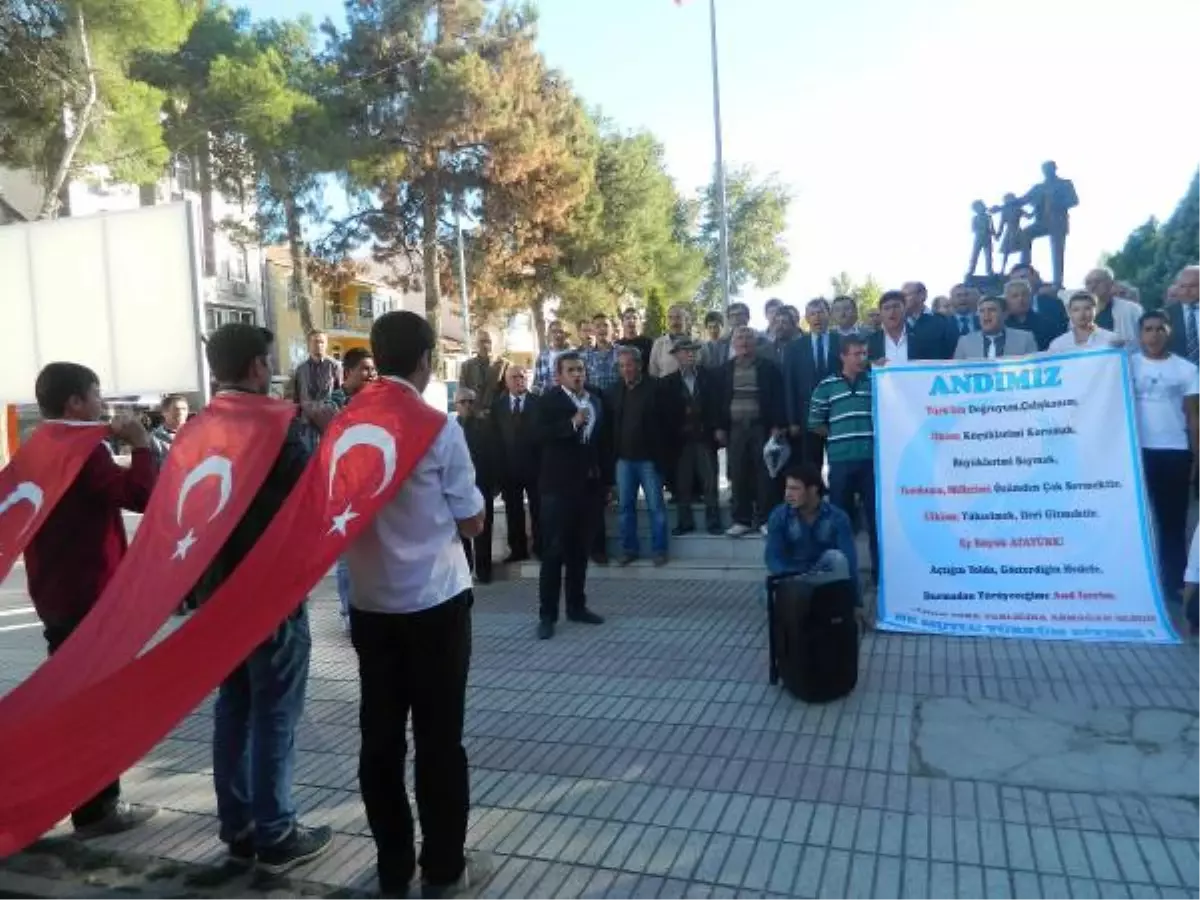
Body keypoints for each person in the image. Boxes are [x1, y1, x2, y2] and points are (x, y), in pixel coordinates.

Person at [345, 311, 487, 897]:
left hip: (372, 604)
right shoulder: (439, 427)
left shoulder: (347, 426)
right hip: (435, 603)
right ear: (427, 359)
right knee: (438, 739)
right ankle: (445, 866)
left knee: (380, 739)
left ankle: (392, 865)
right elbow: (474, 520)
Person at [184, 325, 333, 872]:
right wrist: (327, 434)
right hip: (268, 595)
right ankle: (276, 833)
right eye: (269, 361)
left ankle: (240, 826)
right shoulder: (277, 426)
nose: (272, 370)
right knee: (274, 713)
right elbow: (316, 491)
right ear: (253, 367)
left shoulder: (196, 427)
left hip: (216, 595)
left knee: (234, 707)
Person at [24, 362, 158, 838]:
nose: (103, 404)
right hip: (89, 594)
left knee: (73, 699)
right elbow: (140, 494)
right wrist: (142, 447)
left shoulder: (38, 446)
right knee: (96, 705)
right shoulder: (83, 451)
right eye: (97, 394)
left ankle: (75, 798)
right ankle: (97, 809)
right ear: (75, 403)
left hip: (54, 593)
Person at [535, 352, 609, 640]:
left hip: (588, 488)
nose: (578, 374)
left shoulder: (596, 401)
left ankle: (577, 606)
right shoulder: (548, 401)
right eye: (571, 370)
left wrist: (607, 483)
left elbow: (603, 444)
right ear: (559, 375)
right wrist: (571, 424)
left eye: (580, 369)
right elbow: (536, 436)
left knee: (580, 551)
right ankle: (547, 615)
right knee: (554, 552)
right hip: (557, 488)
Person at [1130, 310, 1200, 602]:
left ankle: (1174, 583)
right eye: (1148, 329)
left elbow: (1194, 416)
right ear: (1140, 334)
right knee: (1137, 520)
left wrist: (1197, 455)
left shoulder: (1186, 369)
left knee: (1172, 522)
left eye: (1160, 329)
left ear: (1169, 332)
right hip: (1135, 453)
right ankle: (1135, 580)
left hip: (1174, 452)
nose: (1154, 335)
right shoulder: (1127, 365)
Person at [808, 334, 878, 586]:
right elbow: (814, 421)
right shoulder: (826, 385)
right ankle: (843, 577)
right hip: (840, 462)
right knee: (840, 521)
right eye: (856, 353)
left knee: (875, 521)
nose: (862, 358)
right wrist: (837, 434)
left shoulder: (875, 382)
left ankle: (880, 576)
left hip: (871, 463)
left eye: (864, 353)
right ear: (843, 356)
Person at [765, 463, 862, 616]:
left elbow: (849, 561)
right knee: (767, 596)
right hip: (793, 575)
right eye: (787, 488)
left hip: (823, 575)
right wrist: (792, 576)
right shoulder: (779, 516)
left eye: (795, 489)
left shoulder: (837, 517)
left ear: (813, 489)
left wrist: (856, 603)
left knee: (837, 559)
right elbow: (772, 557)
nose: (788, 494)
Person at [716, 327, 786, 536]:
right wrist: (720, 427)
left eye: (748, 338)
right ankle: (742, 520)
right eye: (740, 338)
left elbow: (777, 399)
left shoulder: (768, 368)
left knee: (765, 474)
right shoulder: (724, 370)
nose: (744, 342)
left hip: (761, 427)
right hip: (736, 429)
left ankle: (765, 519)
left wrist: (776, 425)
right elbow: (718, 402)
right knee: (738, 473)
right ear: (733, 344)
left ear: (755, 343)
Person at [329, 347, 378, 631]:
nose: (371, 374)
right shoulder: (335, 404)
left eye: (373, 369)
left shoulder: (376, 403)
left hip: (373, 490)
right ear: (348, 373)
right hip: (344, 494)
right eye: (365, 369)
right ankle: (350, 612)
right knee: (348, 556)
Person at [608, 346, 670, 565]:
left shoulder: (656, 388)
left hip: (649, 460)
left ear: (639, 365)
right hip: (623, 460)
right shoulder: (614, 390)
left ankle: (659, 550)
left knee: (656, 507)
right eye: (622, 366)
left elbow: (667, 425)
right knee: (625, 507)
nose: (626, 369)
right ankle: (629, 550)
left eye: (630, 364)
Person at [661, 339, 721, 535]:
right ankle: (684, 522)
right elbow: (666, 414)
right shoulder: (667, 382)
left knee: (710, 480)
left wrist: (716, 428)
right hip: (681, 440)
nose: (690, 354)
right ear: (676, 355)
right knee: (682, 483)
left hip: (704, 437)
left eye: (693, 350)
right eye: (685, 351)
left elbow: (716, 405)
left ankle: (713, 521)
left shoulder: (709, 377)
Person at [491, 366, 540, 563]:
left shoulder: (538, 403)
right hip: (509, 468)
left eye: (522, 376)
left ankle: (541, 547)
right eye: (514, 377)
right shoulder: (498, 406)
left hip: (535, 467)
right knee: (513, 511)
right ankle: (518, 550)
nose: (519, 380)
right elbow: (495, 440)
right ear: (506, 381)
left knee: (538, 510)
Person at [784, 298, 841, 468]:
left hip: (838, 413)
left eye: (821, 312)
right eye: (812, 314)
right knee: (810, 464)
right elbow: (790, 385)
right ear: (806, 318)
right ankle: (815, 494)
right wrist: (792, 420)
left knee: (838, 462)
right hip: (806, 416)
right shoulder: (795, 347)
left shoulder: (842, 342)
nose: (817, 317)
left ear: (829, 315)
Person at [454, 387, 500, 584]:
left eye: (471, 401)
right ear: (456, 405)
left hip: (481, 484)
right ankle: (465, 569)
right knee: (460, 531)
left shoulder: (486, 426)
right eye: (463, 402)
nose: (467, 405)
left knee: (484, 529)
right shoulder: (450, 428)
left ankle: (484, 570)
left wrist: (496, 483)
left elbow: (496, 455)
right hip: (457, 488)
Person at [290, 330, 342, 448]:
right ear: (308, 344)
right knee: (308, 458)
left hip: (328, 422)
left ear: (326, 344)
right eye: (315, 342)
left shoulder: (334, 366)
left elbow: (341, 393)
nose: (319, 345)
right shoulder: (300, 369)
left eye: (322, 342)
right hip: (307, 423)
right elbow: (297, 396)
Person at [953, 295, 1038, 359]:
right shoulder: (964, 342)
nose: (986, 314)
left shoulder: (1025, 339)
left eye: (992, 310)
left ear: (1005, 314)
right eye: (982, 311)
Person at [1084, 266, 1144, 347]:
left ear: (1110, 284)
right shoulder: (1077, 315)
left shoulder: (1133, 310)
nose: (1093, 286)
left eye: (1097, 281)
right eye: (1088, 283)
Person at [1048, 291, 1122, 352]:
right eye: (1076, 310)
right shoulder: (1058, 344)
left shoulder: (1111, 339)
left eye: (1087, 308)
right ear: (1069, 312)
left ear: (1096, 310)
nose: (1082, 314)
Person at [1008, 264, 1068, 337]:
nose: (1020, 282)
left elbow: (1063, 331)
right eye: (1015, 280)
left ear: (1035, 277)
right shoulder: (1005, 309)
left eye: (1023, 277)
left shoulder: (1054, 303)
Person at [457, 331, 508, 417]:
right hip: (473, 417)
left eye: (489, 342)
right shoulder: (466, 366)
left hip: (496, 418)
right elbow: (462, 393)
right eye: (482, 341)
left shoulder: (503, 365)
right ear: (476, 344)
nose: (485, 345)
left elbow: (507, 393)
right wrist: (473, 413)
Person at [900, 281, 956, 359]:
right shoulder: (897, 323)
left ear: (922, 295)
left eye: (906, 295)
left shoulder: (942, 322)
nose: (902, 300)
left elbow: (951, 352)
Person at [1003, 278, 1057, 351]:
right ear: (1007, 300)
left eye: (1025, 295)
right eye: (1015, 296)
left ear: (1031, 297)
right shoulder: (1002, 325)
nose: (1021, 299)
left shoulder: (1046, 323)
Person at [867, 291, 915, 364]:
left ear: (905, 309)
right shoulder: (871, 341)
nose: (892, 311)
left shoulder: (921, 337)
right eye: (886, 308)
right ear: (880, 313)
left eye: (896, 306)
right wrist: (873, 365)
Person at [1166, 266, 1200, 367]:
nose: (1186, 291)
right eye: (1182, 286)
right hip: (1178, 376)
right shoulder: (1166, 315)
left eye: (1192, 286)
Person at [649, 304, 691, 377]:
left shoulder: (699, 344)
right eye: (670, 318)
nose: (674, 322)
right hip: (665, 387)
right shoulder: (659, 344)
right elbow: (653, 372)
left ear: (686, 320)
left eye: (678, 317)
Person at [583, 313, 620, 395]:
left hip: (618, 402)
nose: (602, 329)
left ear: (612, 329)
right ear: (593, 331)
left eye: (606, 325)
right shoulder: (585, 356)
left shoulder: (622, 352)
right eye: (598, 326)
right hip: (596, 403)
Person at [150, 393, 189, 467]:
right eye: (176, 409)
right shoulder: (154, 439)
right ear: (164, 412)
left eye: (184, 409)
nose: (180, 413)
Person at [532, 321, 570, 394]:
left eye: (561, 331)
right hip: (547, 398)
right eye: (554, 332)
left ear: (565, 334)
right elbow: (537, 381)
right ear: (549, 334)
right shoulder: (543, 356)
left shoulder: (574, 355)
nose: (558, 335)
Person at [614, 307, 654, 376]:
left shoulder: (649, 343)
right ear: (622, 323)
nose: (631, 321)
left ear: (640, 322)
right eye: (627, 318)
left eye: (635, 318)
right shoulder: (617, 345)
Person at [967, 199, 996, 277]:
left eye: (981, 206)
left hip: (987, 238)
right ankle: (971, 270)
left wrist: (995, 235)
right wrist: (981, 229)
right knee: (975, 255)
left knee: (988, 256)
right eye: (978, 208)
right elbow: (973, 229)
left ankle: (989, 270)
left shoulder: (988, 217)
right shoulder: (975, 218)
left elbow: (992, 227)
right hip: (978, 238)